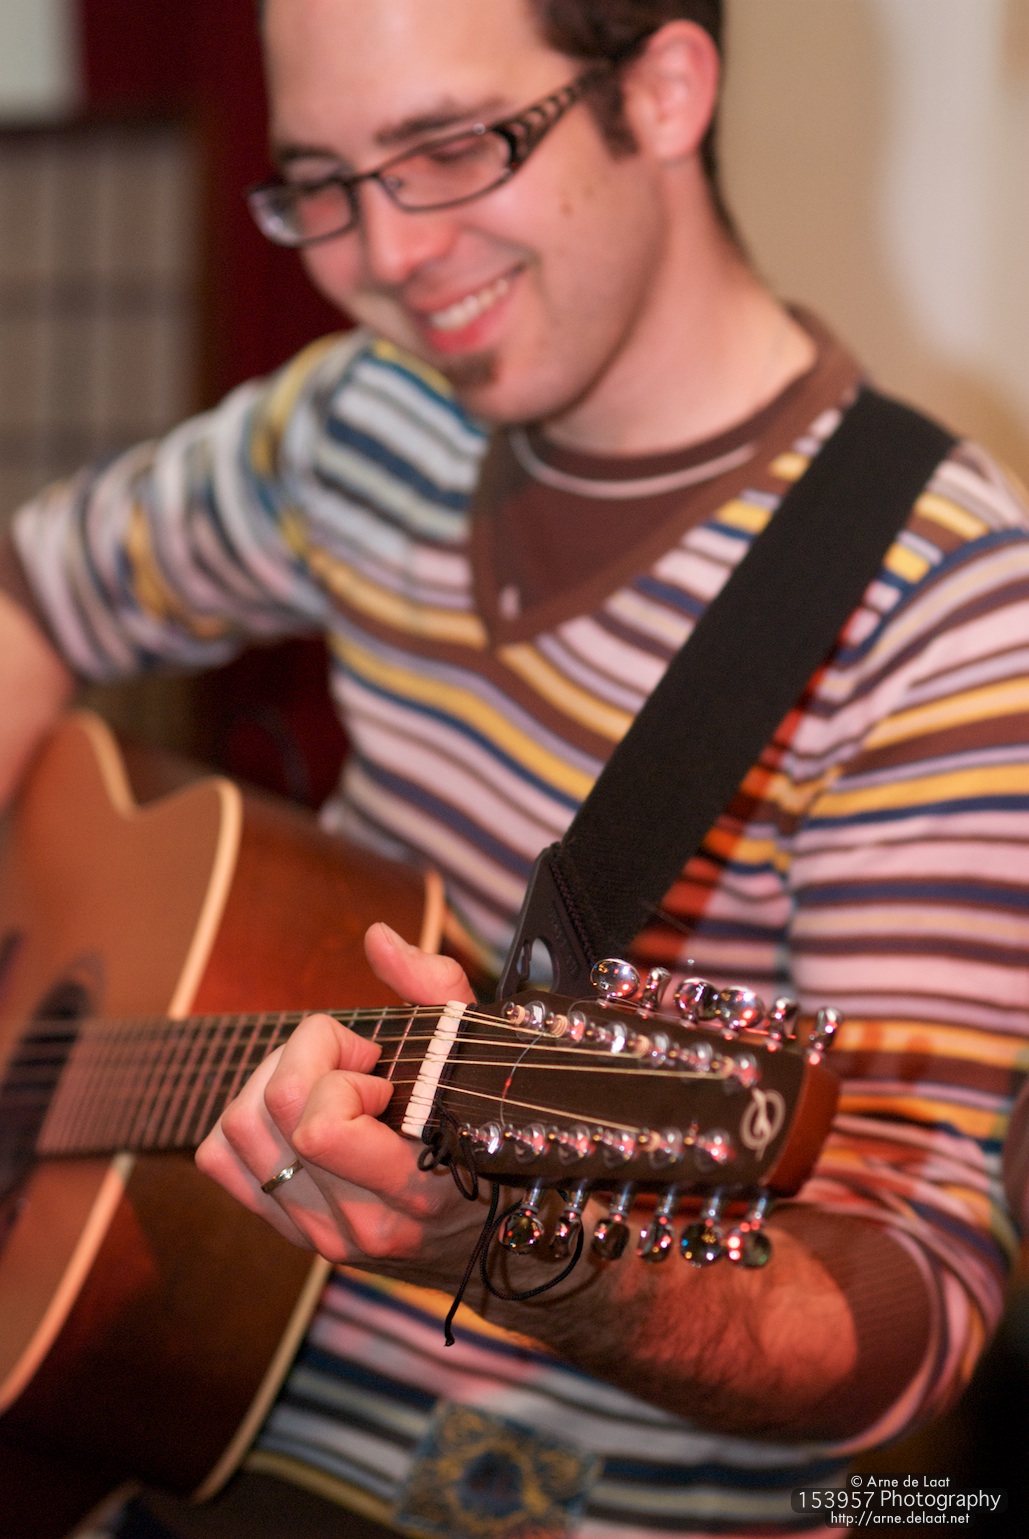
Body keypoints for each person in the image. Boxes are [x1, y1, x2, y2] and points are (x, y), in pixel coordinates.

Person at [2, 1, 1028, 1534]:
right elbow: (39, 588)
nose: (385, 257)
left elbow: (909, 1297)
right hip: (178, 1379)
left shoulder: (940, 607)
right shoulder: (366, 419)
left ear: (663, 89)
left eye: (449, 147)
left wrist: (503, 1245)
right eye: (322, 182)